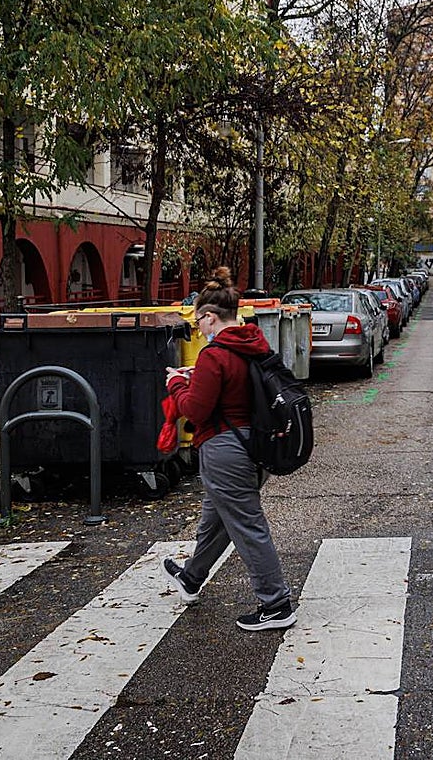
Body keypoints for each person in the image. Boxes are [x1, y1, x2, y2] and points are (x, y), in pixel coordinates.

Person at [162, 267, 295, 631]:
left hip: (225, 448)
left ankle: (276, 603)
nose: (199, 328)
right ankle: (192, 577)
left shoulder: (215, 354)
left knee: (246, 525)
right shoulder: (253, 343)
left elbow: (195, 410)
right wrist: (196, 378)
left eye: (198, 321)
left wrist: (176, 384)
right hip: (257, 444)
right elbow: (237, 386)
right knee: (216, 520)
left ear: (210, 317)